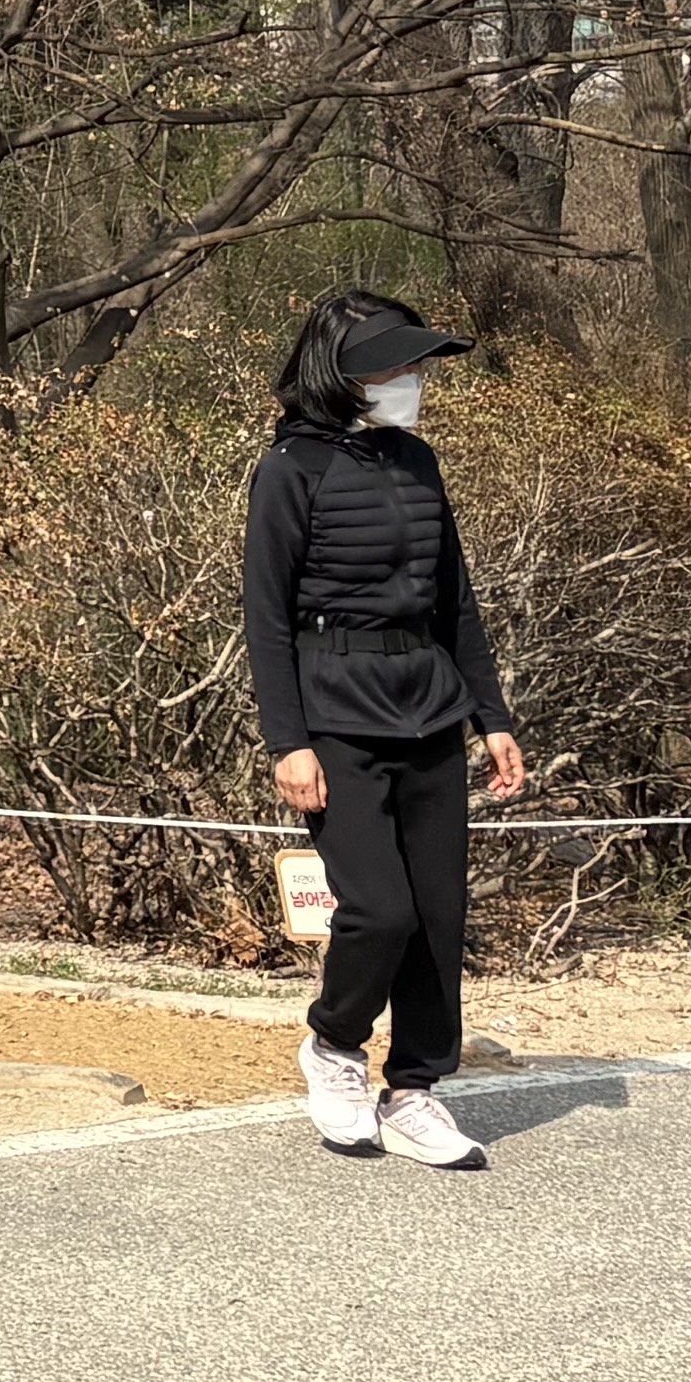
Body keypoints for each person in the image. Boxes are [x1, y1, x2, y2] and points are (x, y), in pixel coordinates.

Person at [245, 291, 525, 1169]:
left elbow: (455, 601)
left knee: (439, 913)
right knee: (379, 911)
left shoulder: (418, 461)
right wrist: (287, 740)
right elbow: (268, 616)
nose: (411, 381)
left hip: (430, 706)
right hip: (336, 714)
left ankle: (415, 1090)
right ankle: (333, 1045)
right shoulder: (290, 469)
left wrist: (492, 717)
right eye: (394, 366)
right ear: (343, 372)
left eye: (415, 366)